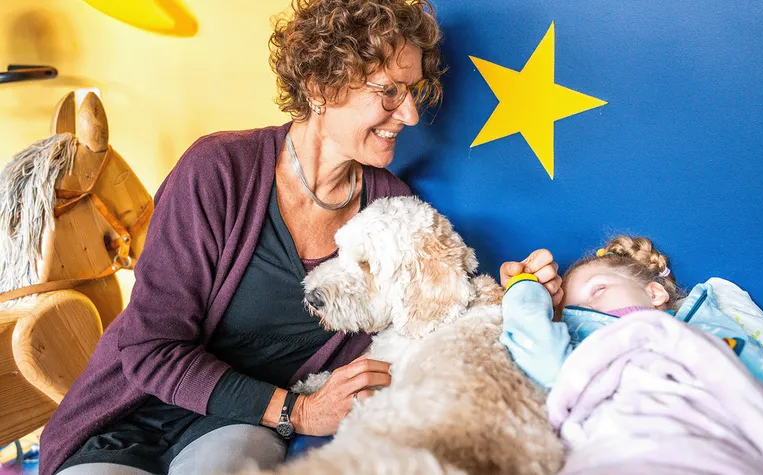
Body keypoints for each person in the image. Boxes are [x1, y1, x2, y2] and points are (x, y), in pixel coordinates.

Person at [39, 1, 562, 474]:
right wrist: (299, 410)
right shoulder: (218, 170)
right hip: (136, 412)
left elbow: (419, 310)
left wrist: (520, 295)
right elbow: (150, 346)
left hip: (241, 427)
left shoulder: (390, 204)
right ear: (318, 87)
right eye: (389, 92)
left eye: (413, 92)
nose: (409, 115)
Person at [500, 235, 763, 411]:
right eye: (572, 311)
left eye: (599, 290)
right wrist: (527, 290)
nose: (585, 311)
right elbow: (543, 358)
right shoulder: (587, 353)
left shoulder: (711, 324)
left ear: (654, 293)